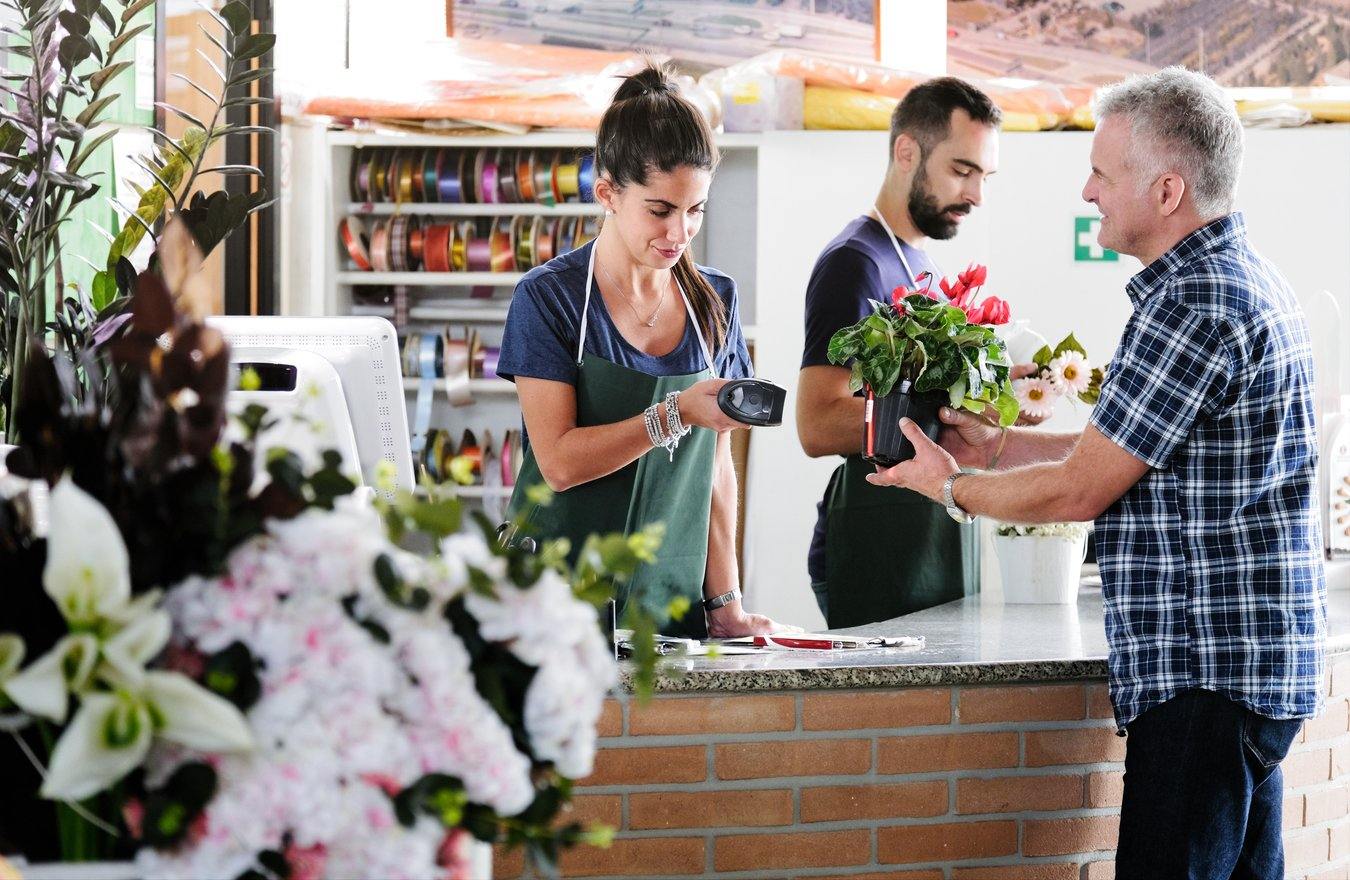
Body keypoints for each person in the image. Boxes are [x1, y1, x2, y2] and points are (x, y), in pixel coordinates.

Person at [868, 67, 1326, 879]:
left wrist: (947, 486)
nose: (1086, 191)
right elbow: (1126, 449)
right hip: (1243, 679)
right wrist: (994, 450)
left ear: (1167, 190)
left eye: (1103, 174)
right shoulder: (1236, 281)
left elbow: (1081, 490)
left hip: (1203, 679)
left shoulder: (1193, 303)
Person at [497, 63, 791, 640]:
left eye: (696, 210)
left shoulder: (715, 300)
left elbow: (716, 471)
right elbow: (557, 463)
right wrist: (676, 412)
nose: (679, 234)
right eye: (660, 210)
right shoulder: (549, 298)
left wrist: (724, 602)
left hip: (667, 600)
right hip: (554, 600)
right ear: (607, 192)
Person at [796, 77, 1002, 627]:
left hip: (922, 536)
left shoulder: (921, 265)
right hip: (873, 537)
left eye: (984, 176)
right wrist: (945, 413)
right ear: (906, 151)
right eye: (962, 170)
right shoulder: (853, 262)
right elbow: (815, 424)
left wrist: (996, 401)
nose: (977, 194)